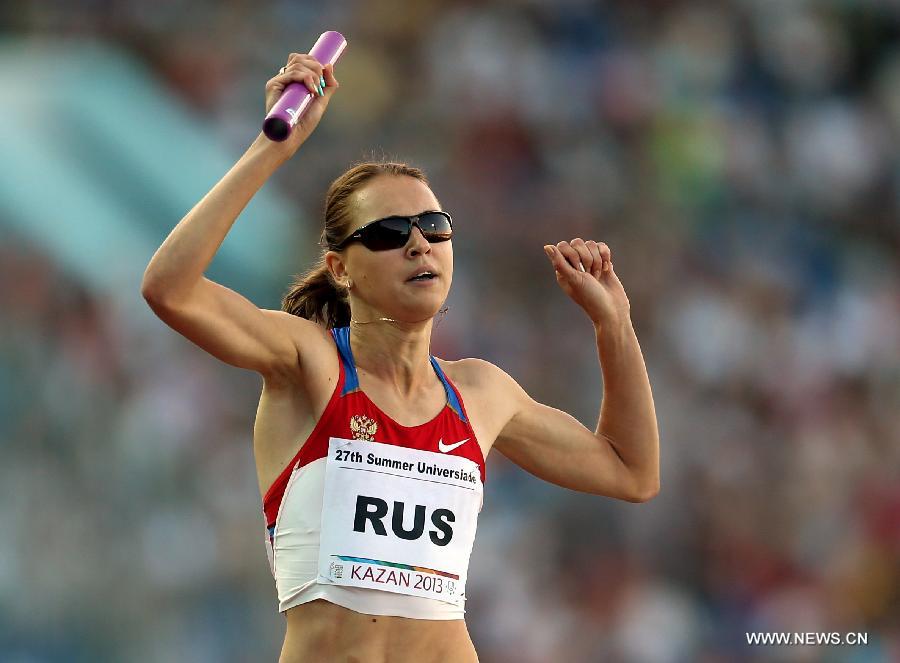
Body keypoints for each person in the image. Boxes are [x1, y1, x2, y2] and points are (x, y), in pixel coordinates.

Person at [141, 52, 660, 663]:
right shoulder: (310, 364)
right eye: (389, 233)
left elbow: (632, 472)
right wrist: (272, 149)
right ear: (339, 269)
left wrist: (614, 325)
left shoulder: (482, 395)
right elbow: (169, 289)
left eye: (434, 226)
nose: (418, 243)